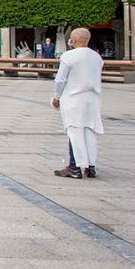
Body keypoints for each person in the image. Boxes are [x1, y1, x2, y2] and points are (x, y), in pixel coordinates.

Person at [52, 28, 104, 179]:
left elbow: (60, 79)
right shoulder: (96, 57)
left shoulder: (69, 56)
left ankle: (74, 167)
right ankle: (91, 166)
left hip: (74, 98)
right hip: (92, 99)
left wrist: (56, 96)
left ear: (73, 40)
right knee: (89, 131)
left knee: (74, 132)